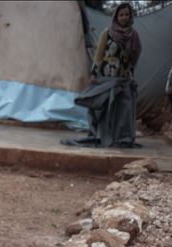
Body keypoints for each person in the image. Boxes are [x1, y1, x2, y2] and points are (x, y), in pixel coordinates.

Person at [71, 3, 142, 147]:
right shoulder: (107, 32)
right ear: (116, 16)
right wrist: (94, 74)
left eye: (126, 15)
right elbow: (99, 55)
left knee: (122, 109)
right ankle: (102, 136)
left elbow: (135, 55)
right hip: (106, 77)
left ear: (130, 16)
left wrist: (130, 72)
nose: (124, 18)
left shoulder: (133, 35)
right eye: (121, 15)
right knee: (104, 107)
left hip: (123, 78)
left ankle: (119, 138)